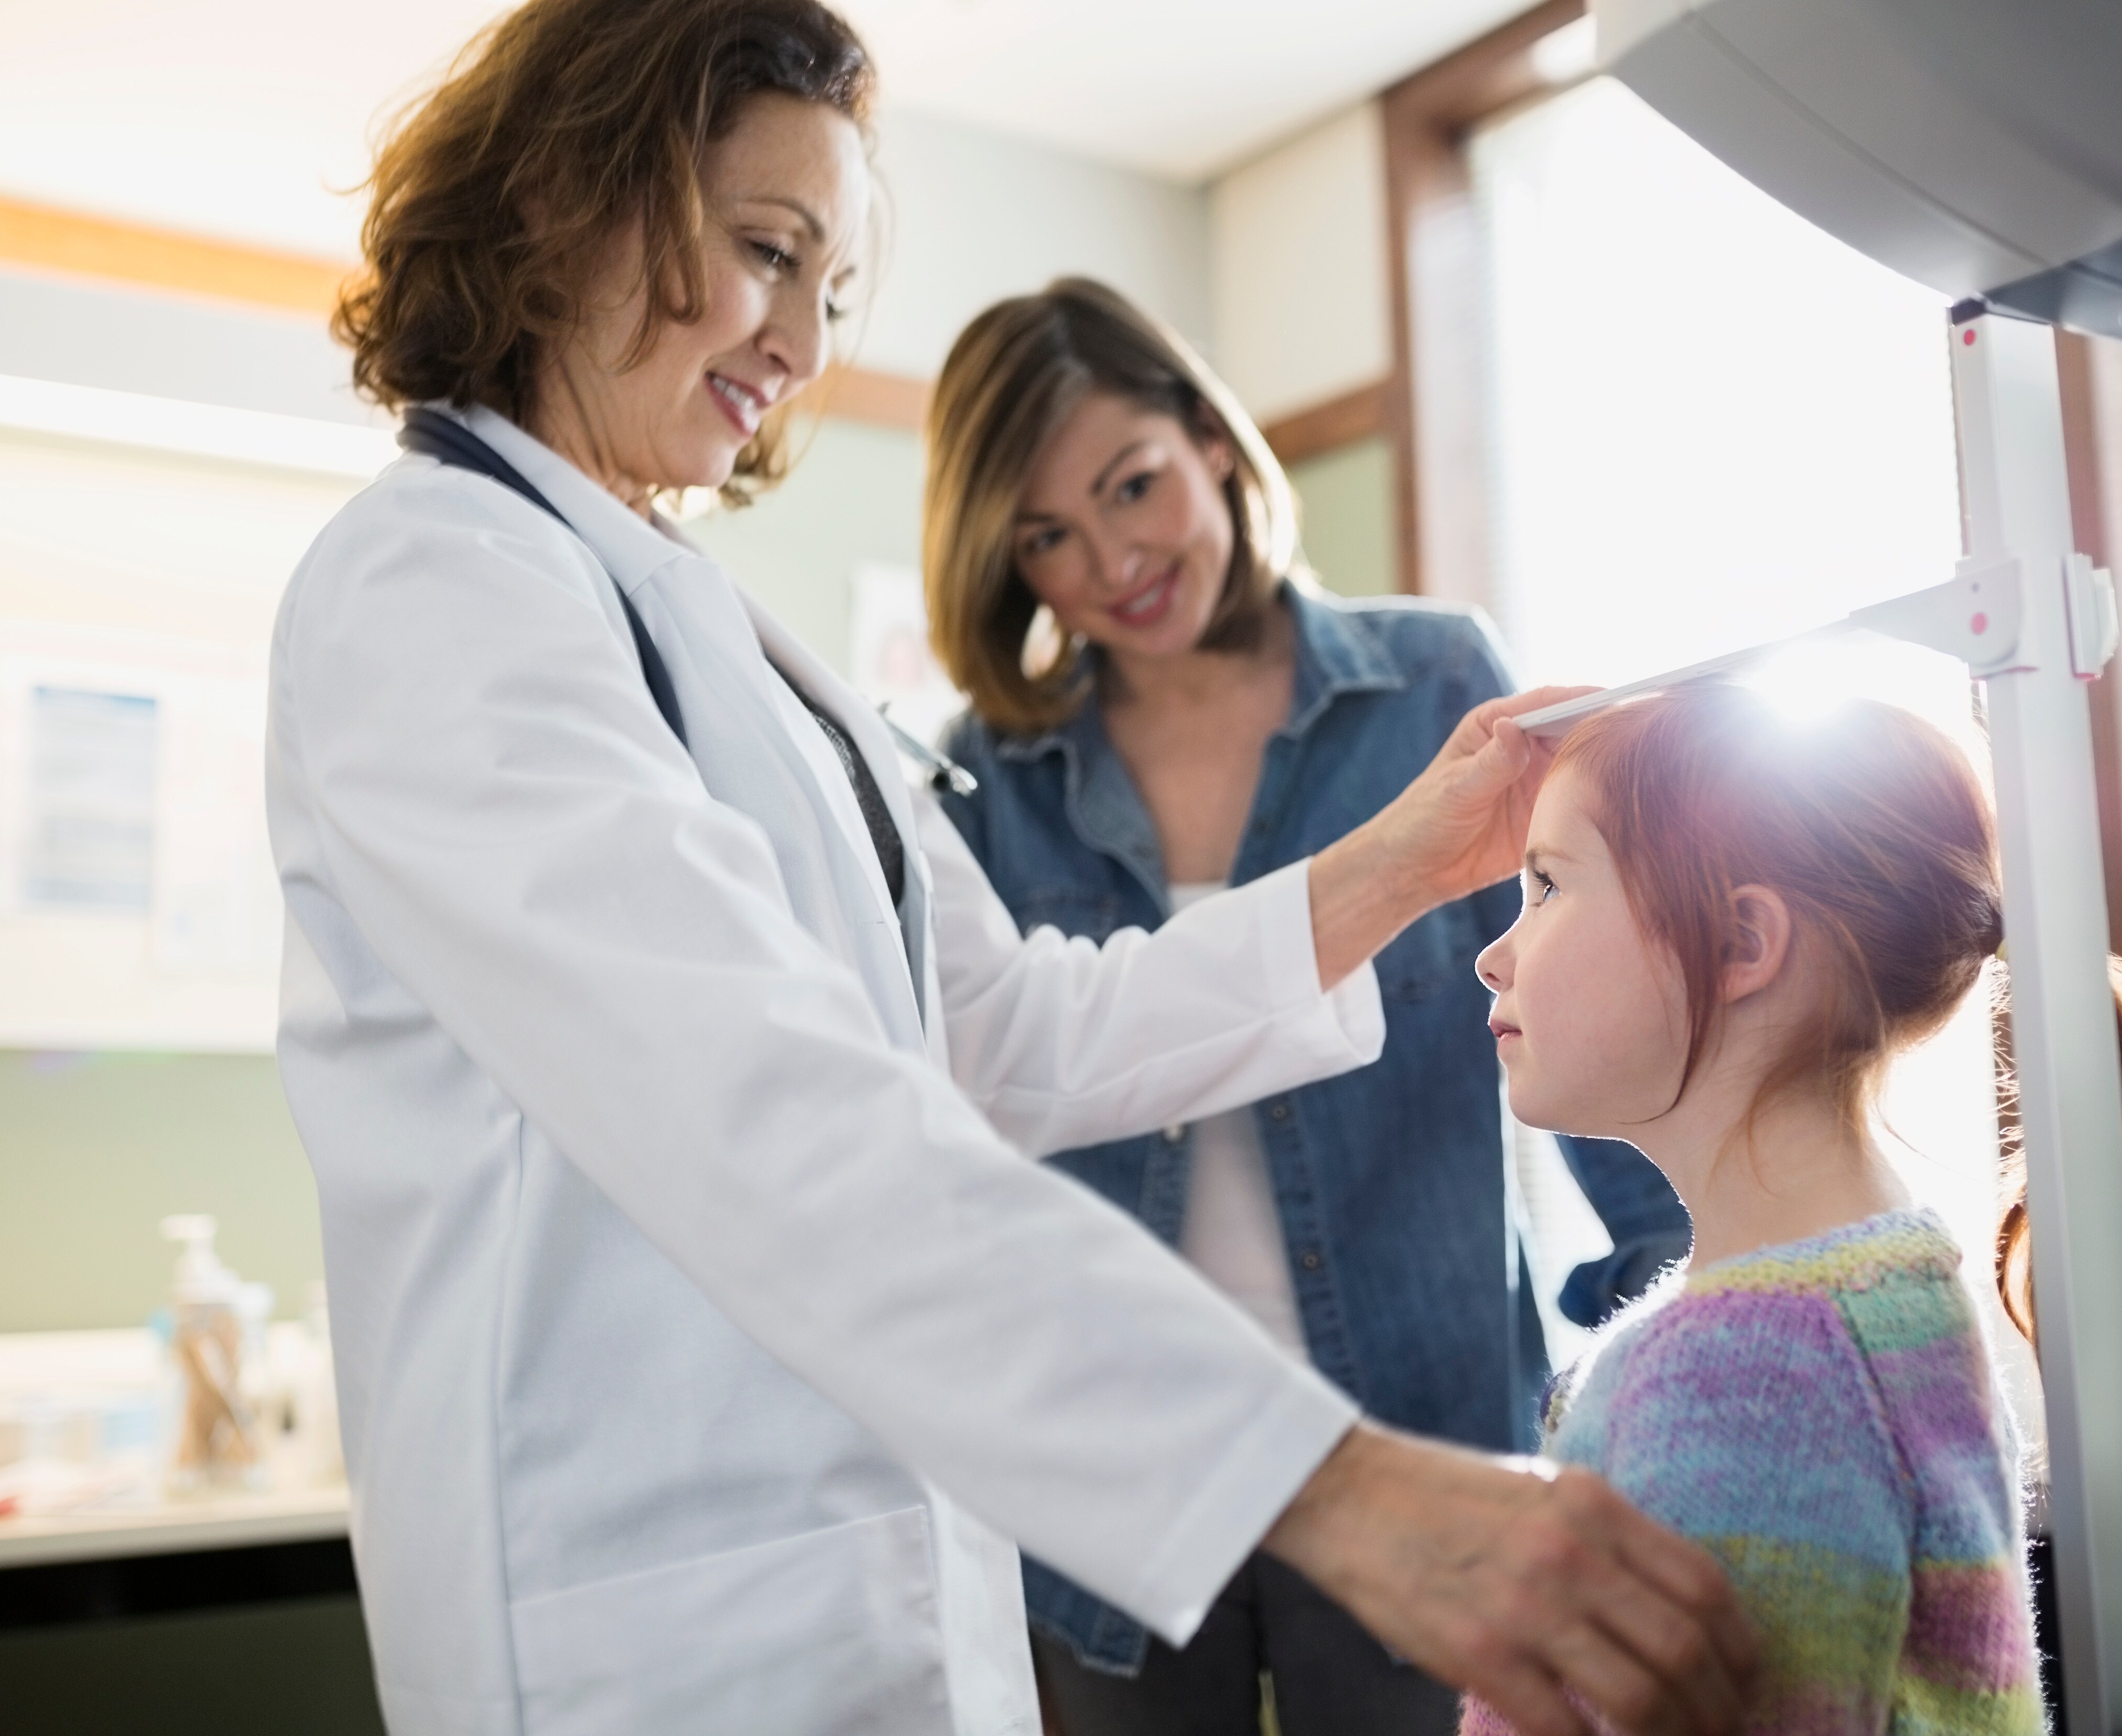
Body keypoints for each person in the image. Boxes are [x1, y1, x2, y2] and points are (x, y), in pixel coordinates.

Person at [273, 1, 1757, 1730]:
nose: (800, 346)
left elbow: (1005, 1034)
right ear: (566, 199)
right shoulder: (437, 590)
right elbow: (771, 1110)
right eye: (769, 252)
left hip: (896, 1599)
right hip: (667, 1632)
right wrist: (1337, 1486)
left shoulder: (708, 634)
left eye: (830, 293)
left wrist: (1416, 857)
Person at [923, 278, 1695, 1735]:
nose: (1112, 559)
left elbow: (1593, 1004)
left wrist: (1666, 1336)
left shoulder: (1434, 689)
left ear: (1212, 442)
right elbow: (977, 1120)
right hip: (1122, 1487)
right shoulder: (988, 772)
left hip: (1422, 1430)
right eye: (1046, 535)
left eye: (1132, 484)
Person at [1463, 682, 2122, 1736]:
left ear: (1738, 942)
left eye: (1545, 884)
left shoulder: (1748, 1376)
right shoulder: (1866, 1293)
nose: (1490, 952)